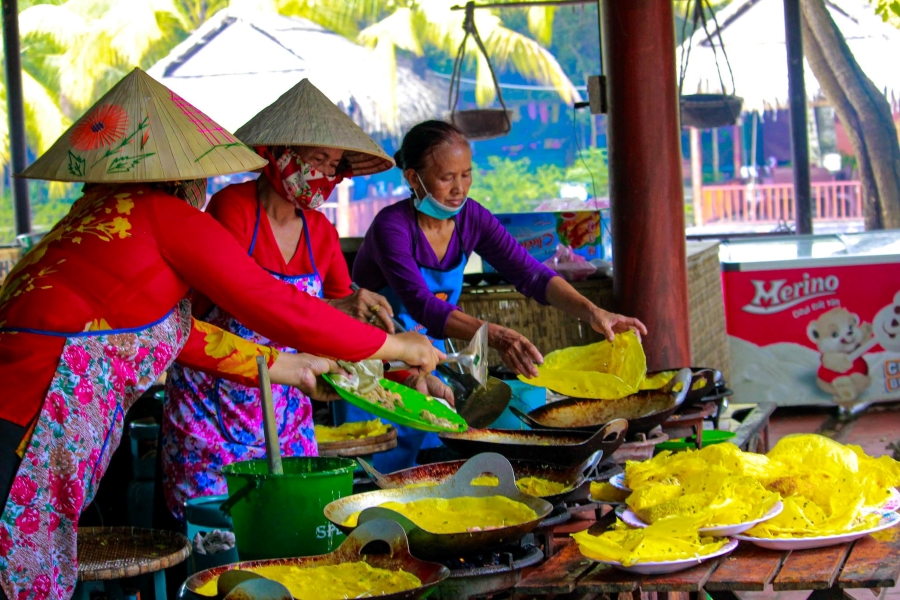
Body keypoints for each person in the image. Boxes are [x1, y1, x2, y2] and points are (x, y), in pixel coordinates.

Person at [0, 69, 440, 600]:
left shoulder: (92, 220)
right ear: (185, 176)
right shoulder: (164, 216)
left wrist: (294, 369)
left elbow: (181, 335)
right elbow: (272, 303)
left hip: (24, 414)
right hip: (30, 420)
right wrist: (397, 345)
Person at [162, 79, 453, 520]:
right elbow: (260, 305)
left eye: (334, 164)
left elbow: (339, 336)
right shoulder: (232, 209)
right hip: (213, 408)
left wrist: (401, 373)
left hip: (289, 412)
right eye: (317, 159)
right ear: (277, 153)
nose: (326, 174)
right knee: (221, 541)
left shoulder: (321, 232)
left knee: (295, 536)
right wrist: (370, 334)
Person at [351, 120, 647, 469]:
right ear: (413, 179)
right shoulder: (392, 227)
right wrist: (498, 335)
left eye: (467, 174)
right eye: (447, 178)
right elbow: (421, 304)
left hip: (427, 361)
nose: (460, 188)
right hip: (371, 360)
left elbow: (531, 274)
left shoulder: (472, 218)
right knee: (375, 467)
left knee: (430, 465)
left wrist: (593, 312)